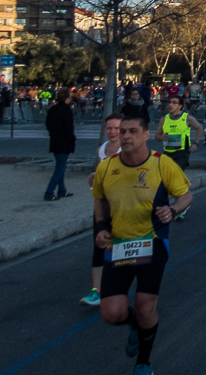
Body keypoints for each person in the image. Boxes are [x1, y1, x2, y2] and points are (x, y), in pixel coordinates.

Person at [93, 114, 192, 375]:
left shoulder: (162, 164)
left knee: (145, 305)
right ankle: (136, 326)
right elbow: (99, 200)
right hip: (119, 245)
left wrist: (173, 209)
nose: (126, 136)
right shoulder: (106, 167)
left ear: (146, 135)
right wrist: (101, 228)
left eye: (133, 131)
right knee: (111, 313)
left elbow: (186, 195)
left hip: (153, 242)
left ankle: (144, 361)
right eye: (122, 131)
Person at [81, 114, 123, 306]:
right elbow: (98, 172)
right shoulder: (102, 149)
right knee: (98, 246)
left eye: (117, 128)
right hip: (102, 205)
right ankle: (96, 291)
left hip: (123, 207)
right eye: (110, 128)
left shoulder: (128, 150)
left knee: (120, 248)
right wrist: (93, 177)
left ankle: (118, 287)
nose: (113, 131)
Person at [153, 95, 203, 219]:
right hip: (168, 153)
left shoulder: (187, 118)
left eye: (175, 102)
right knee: (168, 180)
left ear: (180, 106)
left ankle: (180, 207)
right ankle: (181, 203)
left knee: (174, 177)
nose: (171, 105)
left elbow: (200, 128)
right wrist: (162, 137)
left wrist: (195, 143)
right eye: (170, 102)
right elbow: (156, 136)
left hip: (182, 153)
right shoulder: (164, 120)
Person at [45, 87, 76, 201]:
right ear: (67, 98)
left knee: (60, 166)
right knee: (59, 168)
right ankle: (49, 192)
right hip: (64, 141)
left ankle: (62, 190)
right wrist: (72, 138)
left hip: (54, 140)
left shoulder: (52, 109)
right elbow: (69, 127)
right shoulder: (67, 110)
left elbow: (47, 124)